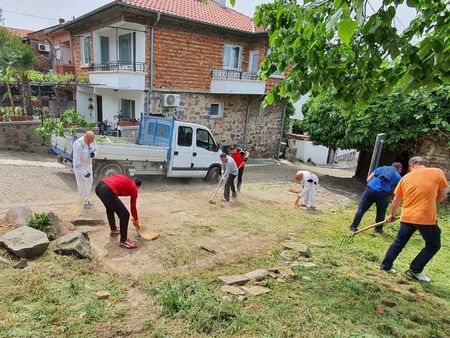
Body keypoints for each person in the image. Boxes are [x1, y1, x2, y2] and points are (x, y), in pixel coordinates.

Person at [380, 157, 448, 282]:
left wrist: (391, 214)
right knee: (433, 245)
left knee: (399, 241)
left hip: (407, 216)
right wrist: (430, 204)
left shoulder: (405, 178)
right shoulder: (437, 172)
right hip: (425, 217)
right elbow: (443, 195)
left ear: (411, 165)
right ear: (425, 164)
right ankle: (414, 270)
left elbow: (396, 199)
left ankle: (385, 266)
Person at [349, 162, 403, 233]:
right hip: (383, 194)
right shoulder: (398, 176)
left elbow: (368, 179)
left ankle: (353, 226)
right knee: (381, 212)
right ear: (399, 169)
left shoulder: (380, 168)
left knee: (361, 209)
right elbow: (397, 190)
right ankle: (378, 230)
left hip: (370, 189)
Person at [95, 175, 142, 249]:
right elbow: (133, 207)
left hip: (98, 186)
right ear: (138, 186)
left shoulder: (126, 180)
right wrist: (136, 220)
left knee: (110, 208)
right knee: (125, 215)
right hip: (107, 189)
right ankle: (124, 241)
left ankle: (113, 230)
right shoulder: (134, 188)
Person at [72, 131, 97, 207]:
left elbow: (96, 149)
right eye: (88, 140)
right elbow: (77, 162)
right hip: (80, 166)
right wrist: (84, 172)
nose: (89, 142)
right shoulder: (78, 144)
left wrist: (94, 154)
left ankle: (86, 199)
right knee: (82, 184)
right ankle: (83, 202)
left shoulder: (93, 140)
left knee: (89, 182)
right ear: (85, 137)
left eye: (91, 140)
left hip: (88, 164)